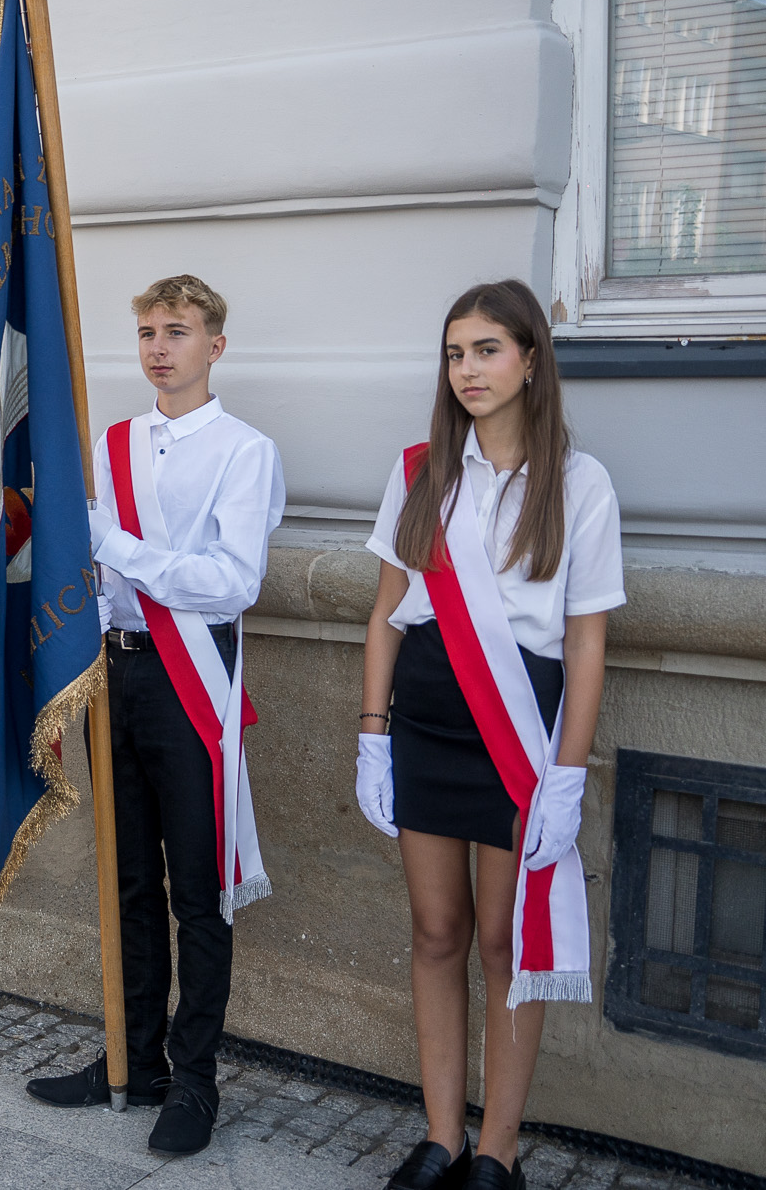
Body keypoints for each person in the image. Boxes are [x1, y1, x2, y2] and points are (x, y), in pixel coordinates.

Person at [359, 280, 622, 1190]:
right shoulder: (421, 470)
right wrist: (370, 734)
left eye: (486, 350)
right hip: (426, 725)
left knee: (507, 939)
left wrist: (569, 775)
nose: (466, 369)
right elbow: (387, 615)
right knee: (437, 931)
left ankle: (498, 1151)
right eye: (454, 352)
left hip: (520, 736)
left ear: (530, 359)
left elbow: (585, 645)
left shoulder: (580, 484)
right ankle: (441, 1136)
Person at [26, 275, 285, 1157]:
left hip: (190, 682)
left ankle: (196, 1077)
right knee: (125, 876)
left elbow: (230, 581)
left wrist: (119, 545)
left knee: (197, 890)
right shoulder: (115, 442)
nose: (157, 347)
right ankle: (133, 1057)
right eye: (145, 331)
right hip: (121, 674)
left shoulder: (245, 451)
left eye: (177, 330)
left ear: (216, 344)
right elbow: (96, 579)